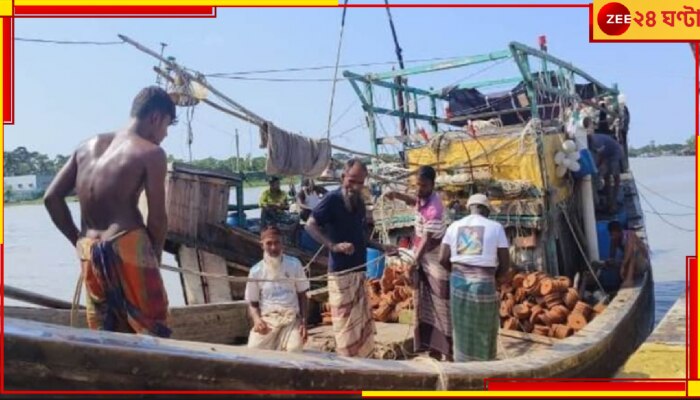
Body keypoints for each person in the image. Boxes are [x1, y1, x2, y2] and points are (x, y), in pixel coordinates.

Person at [43, 86, 174, 337]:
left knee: (106, 330)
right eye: (166, 126)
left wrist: (78, 241)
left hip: (89, 249)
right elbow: (157, 218)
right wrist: (154, 256)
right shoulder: (151, 153)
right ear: (155, 117)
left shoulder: (85, 147)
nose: (164, 135)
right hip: (128, 242)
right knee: (154, 326)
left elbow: (51, 198)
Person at [305, 158, 397, 358]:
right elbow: (310, 225)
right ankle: (348, 368)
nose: (355, 186)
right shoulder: (331, 199)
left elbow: (361, 236)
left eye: (360, 182)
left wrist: (382, 247)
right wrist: (333, 246)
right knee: (345, 331)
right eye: (352, 180)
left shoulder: (359, 203)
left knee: (362, 330)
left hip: (360, 272)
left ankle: (365, 366)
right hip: (340, 274)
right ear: (342, 177)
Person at [386, 166, 452, 361]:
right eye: (417, 185)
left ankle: (447, 350)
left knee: (441, 303)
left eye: (424, 185)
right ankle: (430, 347)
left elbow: (426, 239)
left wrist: (413, 263)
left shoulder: (434, 207)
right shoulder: (422, 199)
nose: (419, 189)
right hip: (422, 257)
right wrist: (396, 194)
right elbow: (413, 201)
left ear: (432, 185)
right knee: (423, 304)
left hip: (434, 258)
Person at [439, 193, 511, 362]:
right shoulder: (496, 227)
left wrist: (456, 273)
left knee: (461, 328)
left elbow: (442, 258)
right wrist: (495, 278)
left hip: (458, 283)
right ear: (486, 210)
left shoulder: (454, 226)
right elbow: (505, 263)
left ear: (469, 208)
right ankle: (483, 366)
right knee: (484, 329)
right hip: (484, 285)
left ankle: (463, 365)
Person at [245, 226, 310, 352]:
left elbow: (303, 295)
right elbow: (252, 303)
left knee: (294, 349)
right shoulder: (255, 271)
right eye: (269, 244)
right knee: (253, 349)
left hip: (291, 319)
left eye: (277, 243)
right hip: (268, 320)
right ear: (262, 245)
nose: (273, 248)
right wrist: (257, 320)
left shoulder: (294, 264)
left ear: (282, 243)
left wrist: (303, 322)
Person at [587, 131, 624, 214]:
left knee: (615, 178)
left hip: (615, 153)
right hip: (606, 154)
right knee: (606, 177)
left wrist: (600, 167)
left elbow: (601, 157)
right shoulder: (590, 142)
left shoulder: (596, 142)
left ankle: (613, 202)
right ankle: (609, 201)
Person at [608, 221, 650, 289]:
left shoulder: (630, 234)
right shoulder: (614, 240)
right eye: (611, 234)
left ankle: (629, 280)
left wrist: (623, 266)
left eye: (613, 234)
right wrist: (610, 262)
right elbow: (611, 256)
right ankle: (626, 278)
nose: (612, 236)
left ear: (619, 232)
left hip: (642, 262)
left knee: (633, 251)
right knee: (617, 261)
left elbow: (630, 252)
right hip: (632, 264)